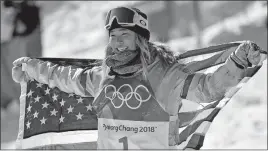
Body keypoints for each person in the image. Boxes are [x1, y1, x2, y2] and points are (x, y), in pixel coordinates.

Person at [12, 6, 264, 149]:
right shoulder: (104, 74)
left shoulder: (166, 74)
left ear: (140, 39)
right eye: (113, 36)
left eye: (124, 35)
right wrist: (32, 68)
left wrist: (237, 63)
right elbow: (68, 78)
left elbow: (209, 89)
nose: (117, 43)